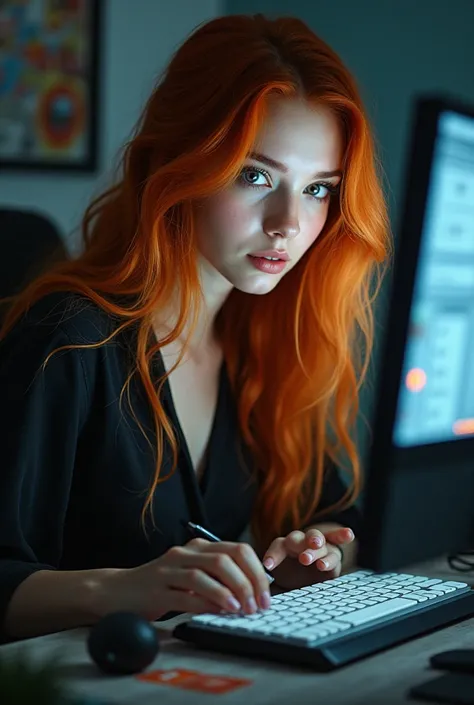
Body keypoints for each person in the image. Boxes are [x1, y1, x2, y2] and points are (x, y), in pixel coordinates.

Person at [0, 13, 390, 641]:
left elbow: (337, 516)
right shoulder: (71, 339)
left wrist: (320, 556)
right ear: (180, 161)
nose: (288, 222)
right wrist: (127, 588)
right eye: (255, 175)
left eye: (319, 189)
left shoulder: (261, 341)